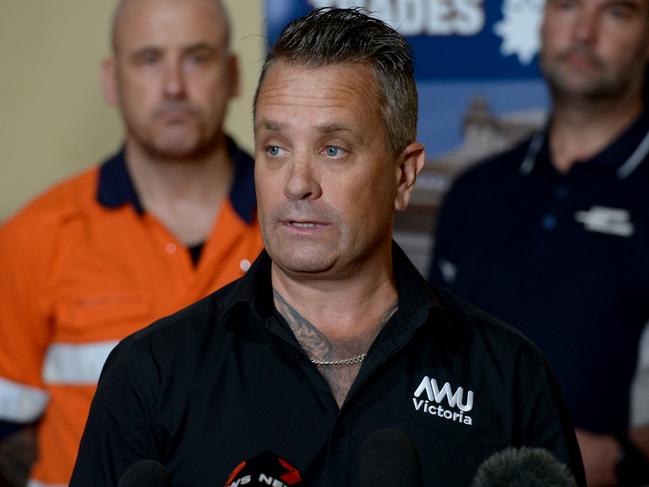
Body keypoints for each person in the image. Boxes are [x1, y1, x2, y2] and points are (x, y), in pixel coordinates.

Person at [69, 8, 586, 487]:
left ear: (403, 175)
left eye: (333, 150)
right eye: (274, 148)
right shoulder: (151, 373)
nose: (296, 184)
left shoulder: (510, 374)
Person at [0, 0, 263, 485]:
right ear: (110, 79)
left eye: (197, 57)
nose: (173, 87)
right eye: (148, 59)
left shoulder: (299, 227)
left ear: (231, 75)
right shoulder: (34, 237)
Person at [429, 0, 649, 485]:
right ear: (544, 21)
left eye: (617, 11)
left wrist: (625, 453)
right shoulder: (474, 191)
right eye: (568, 5)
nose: (584, 31)